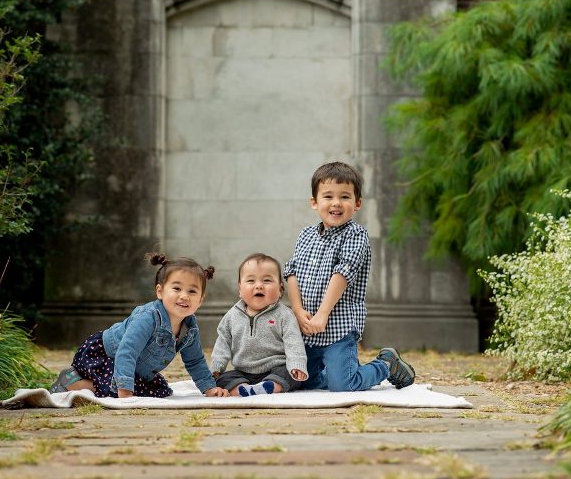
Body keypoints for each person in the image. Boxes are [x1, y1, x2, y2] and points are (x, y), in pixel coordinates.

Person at [284, 161, 415, 394]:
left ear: (357, 204)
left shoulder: (355, 234)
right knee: (300, 380)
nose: (336, 203)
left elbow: (342, 274)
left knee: (342, 385)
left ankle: (385, 364)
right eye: (328, 196)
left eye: (345, 197)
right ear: (314, 202)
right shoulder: (305, 235)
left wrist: (323, 314)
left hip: (338, 326)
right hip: (307, 328)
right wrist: (297, 309)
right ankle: (337, 370)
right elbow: (291, 272)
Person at [50, 253, 229, 399]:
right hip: (106, 354)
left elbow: (195, 360)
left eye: (192, 291)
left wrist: (209, 389)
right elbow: (127, 350)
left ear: (200, 300)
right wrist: (126, 391)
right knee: (115, 389)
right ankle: (73, 382)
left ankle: (110, 384)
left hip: (136, 367)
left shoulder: (190, 329)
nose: (184, 296)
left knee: (160, 392)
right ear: (160, 291)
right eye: (176, 289)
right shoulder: (148, 317)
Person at [210, 252, 308, 396]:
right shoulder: (232, 316)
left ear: (280, 289)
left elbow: (294, 342)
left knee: (290, 374)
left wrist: (296, 365)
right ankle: (244, 389)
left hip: (276, 368)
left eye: (267, 281)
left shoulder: (284, 315)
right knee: (224, 379)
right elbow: (223, 342)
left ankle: (269, 386)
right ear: (239, 290)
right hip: (243, 371)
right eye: (251, 281)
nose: (259, 286)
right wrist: (217, 367)